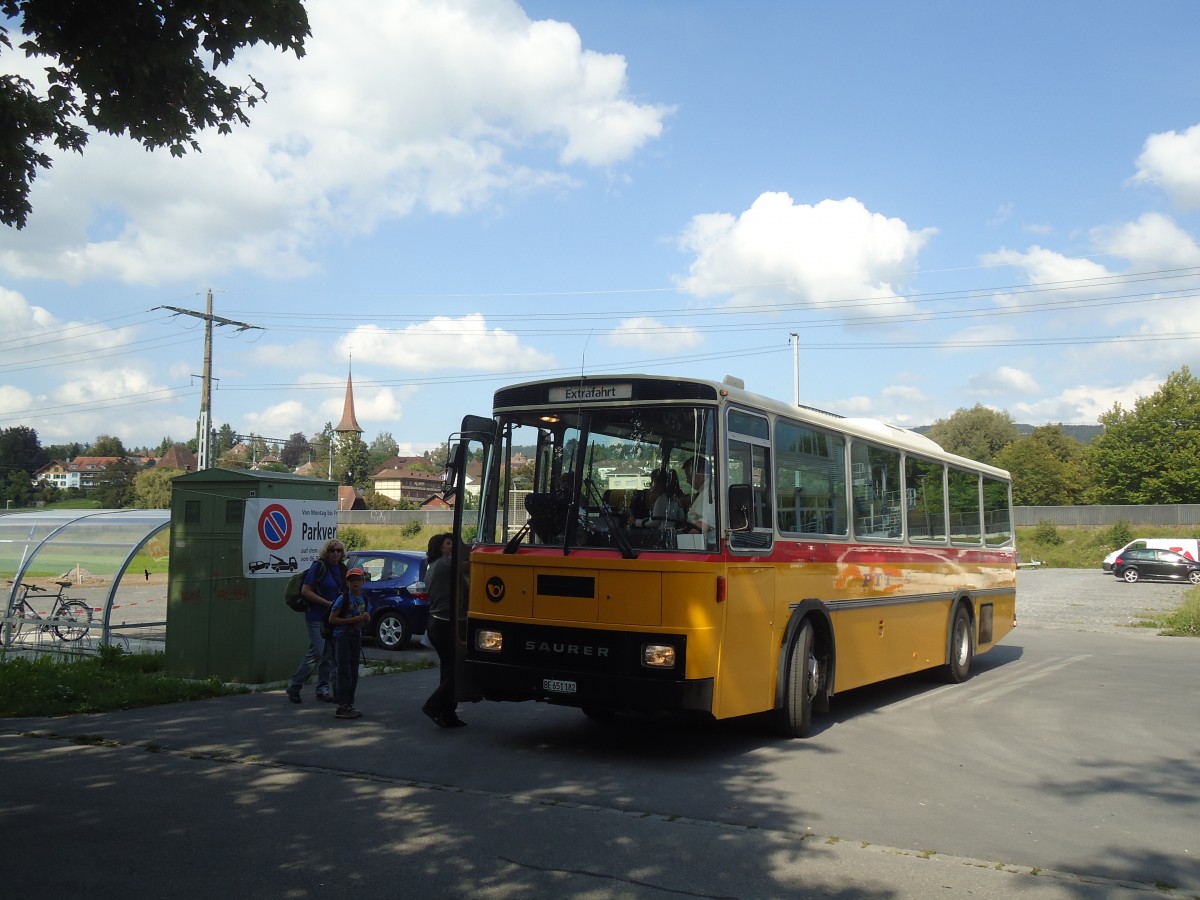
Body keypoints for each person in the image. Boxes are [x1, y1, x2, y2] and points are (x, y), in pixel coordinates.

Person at [285, 538, 347, 704]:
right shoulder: (319, 567)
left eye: (339, 550)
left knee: (328, 655)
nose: (335, 553)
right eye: (332, 550)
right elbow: (306, 591)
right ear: (326, 552)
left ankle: (322, 689)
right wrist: (327, 603)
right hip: (316, 615)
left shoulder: (342, 569)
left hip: (333, 617)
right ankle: (295, 685)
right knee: (317, 652)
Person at [421, 532, 466, 728]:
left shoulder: (432, 566)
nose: (453, 547)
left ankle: (448, 713)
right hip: (445, 624)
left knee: (448, 670)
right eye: (449, 544)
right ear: (440, 547)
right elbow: (472, 564)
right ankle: (434, 706)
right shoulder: (447, 563)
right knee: (457, 670)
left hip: (437, 624)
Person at [329, 566, 371, 720]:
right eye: (352, 580)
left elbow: (365, 619)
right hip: (341, 637)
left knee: (353, 671)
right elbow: (332, 619)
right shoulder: (343, 598)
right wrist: (353, 620)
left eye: (358, 579)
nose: (355, 582)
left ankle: (348, 703)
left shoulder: (364, 599)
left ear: (363, 581)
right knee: (344, 671)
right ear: (347, 582)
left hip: (355, 637)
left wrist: (366, 618)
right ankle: (342, 705)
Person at [682, 455, 716, 534]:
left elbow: (703, 525)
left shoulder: (709, 492)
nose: (687, 481)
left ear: (701, 472)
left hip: (707, 542)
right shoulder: (706, 491)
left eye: (689, 476)